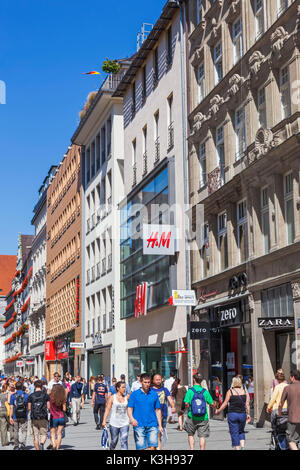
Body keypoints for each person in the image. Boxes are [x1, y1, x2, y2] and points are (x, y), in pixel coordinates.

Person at [127, 373, 163, 451]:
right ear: (141, 382)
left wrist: (160, 425)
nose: (147, 384)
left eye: (148, 382)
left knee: (152, 447)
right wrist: (132, 419)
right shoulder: (134, 394)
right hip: (139, 424)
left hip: (152, 424)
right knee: (141, 447)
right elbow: (129, 408)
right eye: (145, 382)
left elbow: (158, 410)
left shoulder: (154, 394)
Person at [215, 376, 250, 450]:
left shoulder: (230, 391)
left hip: (232, 414)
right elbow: (247, 404)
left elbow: (225, 403)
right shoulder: (244, 391)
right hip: (242, 414)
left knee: (234, 432)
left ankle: (237, 448)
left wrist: (218, 410)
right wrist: (248, 414)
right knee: (241, 431)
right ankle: (242, 447)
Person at [183, 373, 215, 450]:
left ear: (194, 379)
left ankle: (192, 449)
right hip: (203, 417)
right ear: (201, 380)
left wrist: (188, 409)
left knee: (190, 434)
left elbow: (186, 403)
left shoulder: (190, 391)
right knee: (202, 437)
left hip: (192, 416)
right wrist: (215, 408)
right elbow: (212, 403)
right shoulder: (205, 391)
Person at [102, 381, 130, 450]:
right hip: (114, 423)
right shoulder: (112, 398)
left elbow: (130, 409)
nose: (124, 389)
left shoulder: (127, 398)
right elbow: (107, 409)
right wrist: (104, 420)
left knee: (124, 441)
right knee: (114, 441)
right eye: (122, 387)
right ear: (118, 388)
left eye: (125, 387)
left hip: (125, 423)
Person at [151, 373, 176, 449]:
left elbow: (170, 399)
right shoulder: (150, 390)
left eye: (160, 379)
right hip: (152, 415)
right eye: (157, 380)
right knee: (155, 434)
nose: (159, 381)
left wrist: (173, 406)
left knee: (159, 434)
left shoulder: (165, 390)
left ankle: (157, 446)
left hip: (163, 415)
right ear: (153, 380)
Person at [278, 369, 300, 451]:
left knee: (290, 438)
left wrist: (279, 413)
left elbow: (281, 403)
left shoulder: (287, 388)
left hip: (293, 418)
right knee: (296, 438)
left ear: (292, 377)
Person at [27, 379, 50, 451]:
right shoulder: (45, 395)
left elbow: (29, 408)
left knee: (35, 436)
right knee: (43, 434)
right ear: (42, 387)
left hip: (34, 417)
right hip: (43, 417)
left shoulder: (31, 396)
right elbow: (48, 407)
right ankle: (42, 444)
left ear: (34, 386)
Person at [9, 381, 29, 450]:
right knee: (24, 430)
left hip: (15, 415)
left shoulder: (13, 396)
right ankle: (23, 444)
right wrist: (27, 412)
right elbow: (28, 406)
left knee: (16, 430)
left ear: (16, 388)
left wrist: (10, 417)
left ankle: (16, 445)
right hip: (24, 415)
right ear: (22, 387)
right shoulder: (26, 395)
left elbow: (11, 407)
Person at [49, 384, 66, 451]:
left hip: (53, 417)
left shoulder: (50, 398)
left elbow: (48, 407)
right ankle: (57, 448)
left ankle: (54, 445)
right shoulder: (62, 398)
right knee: (59, 434)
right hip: (61, 416)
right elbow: (64, 409)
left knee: (52, 434)